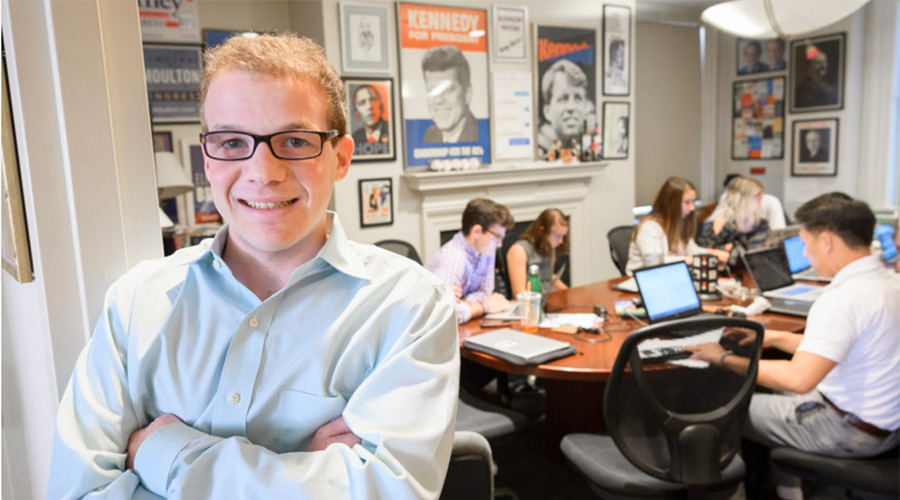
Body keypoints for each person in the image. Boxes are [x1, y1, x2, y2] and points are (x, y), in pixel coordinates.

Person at [47, 34, 459, 500]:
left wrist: (161, 454)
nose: (263, 171)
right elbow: (77, 493)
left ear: (341, 157)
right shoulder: (135, 302)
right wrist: (300, 471)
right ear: (207, 158)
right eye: (231, 142)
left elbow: (388, 493)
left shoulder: (410, 308)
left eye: (295, 140)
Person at [687, 193, 899, 500]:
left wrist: (724, 359)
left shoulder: (843, 299)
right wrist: (772, 338)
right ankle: (790, 494)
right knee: (773, 392)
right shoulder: (889, 283)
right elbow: (838, 346)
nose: (804, 252)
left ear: (826, 240)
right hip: (885, 427)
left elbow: (798, 379)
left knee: (716, 411)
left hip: (847, 431)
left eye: (805, 241)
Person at [426, 198, 514, 324]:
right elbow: (444, 314)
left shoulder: (486, 250)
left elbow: (486, 291)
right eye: (497, 237)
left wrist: (463, 303)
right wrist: (482, 307)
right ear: (477, 231)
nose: (500, 244)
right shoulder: (453, 257)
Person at [625, 176, 729, 275]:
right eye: (687, 202)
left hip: (669, 276)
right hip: (641, 281)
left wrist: (712, 253)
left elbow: (690, 249)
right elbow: (655, 262)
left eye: (693, 201)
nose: (692, 208)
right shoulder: (650, 227)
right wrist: (688, 260)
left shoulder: (679, 223)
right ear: (671, 204)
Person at [697, 177, 770, 262]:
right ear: (742, 199)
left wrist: (729, 248)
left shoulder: (760, 222)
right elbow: (704, 254)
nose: (762, 197)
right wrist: (725, 247)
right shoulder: (718, 223)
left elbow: (757, 254)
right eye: (757, 195)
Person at [421, 45, 479, 143]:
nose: (439, 100)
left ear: (467, 94)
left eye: (448, 90)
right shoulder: (430, 135)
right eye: (432, 91)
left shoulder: (481, 135)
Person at [506, 208, 570, 296]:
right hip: (531, 303)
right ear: (542, 231)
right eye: (557, 236)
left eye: (563, 236)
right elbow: (519, 293)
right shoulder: (519, 250)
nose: (561, 241)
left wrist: (570, 293)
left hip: (546, 300)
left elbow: (549, 277)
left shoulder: (549, 248)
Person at [537, 59, 589, 160]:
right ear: (547, 111)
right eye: (563, 99)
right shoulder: (539, 152)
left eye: (578, 99)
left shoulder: (588, 149)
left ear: (585, 107)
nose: (571, 107)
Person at [350, 84, 390, 156]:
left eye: (373, 100)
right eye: (362, 103)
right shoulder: (354, 138)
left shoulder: (390, 130)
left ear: (381, 105)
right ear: (356, 113)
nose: (370, 106)